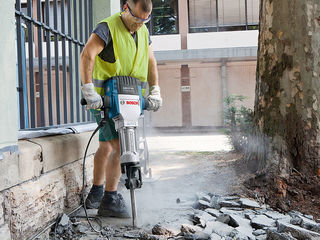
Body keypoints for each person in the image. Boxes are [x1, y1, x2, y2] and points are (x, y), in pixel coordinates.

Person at [79, 0, 162, 218]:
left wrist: (155, 90)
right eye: (136, 19)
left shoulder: (143, 33)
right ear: (126, 8)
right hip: (104, 97)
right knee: (118, 144)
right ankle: (110, 198)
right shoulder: (107, 27)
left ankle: (96, 191)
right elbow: (87, 54)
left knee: (107, 147)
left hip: (130, 96)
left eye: (145, 20)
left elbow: (151, 61)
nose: (140, 24)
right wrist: (89, 91)